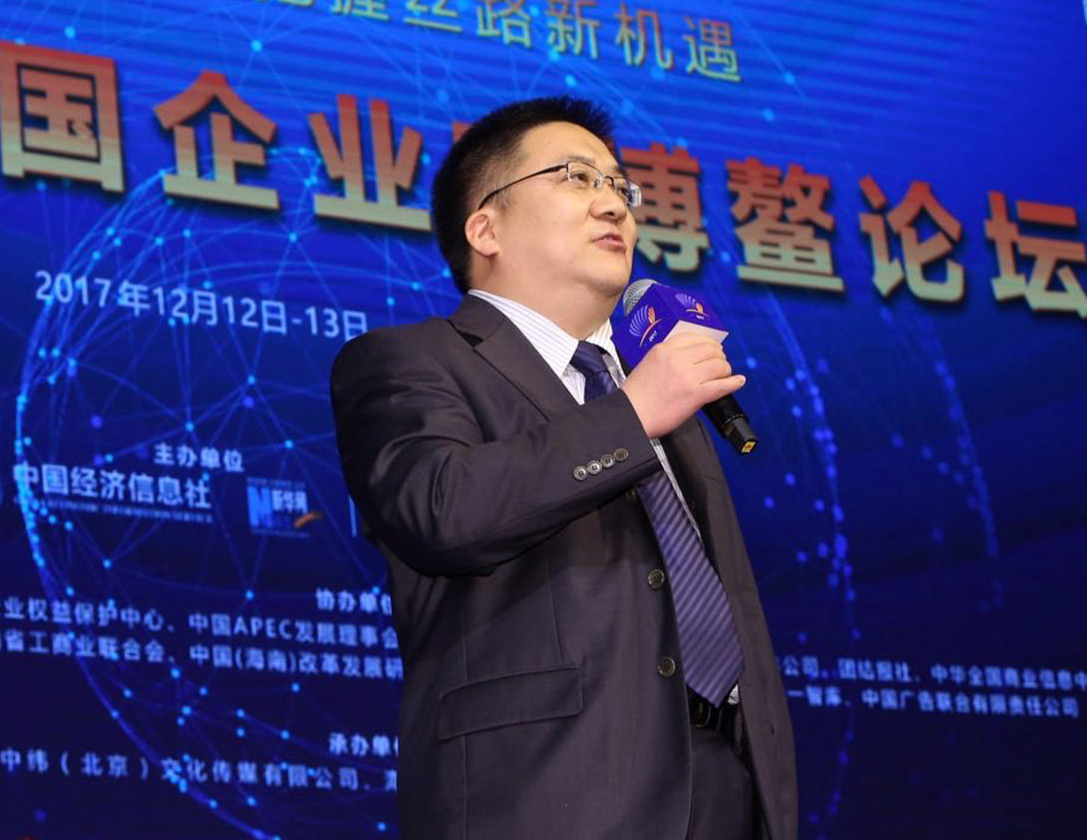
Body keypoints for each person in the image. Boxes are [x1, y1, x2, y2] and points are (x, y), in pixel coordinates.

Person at [329, 96, 797, 839]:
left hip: (724, 789)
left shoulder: (651, 388)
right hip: (546, 794)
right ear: (485, 228)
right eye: (576, 177)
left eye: (619, 185)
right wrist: (632, 416)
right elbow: (442, 511)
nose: (613, 204)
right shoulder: (410, 362)